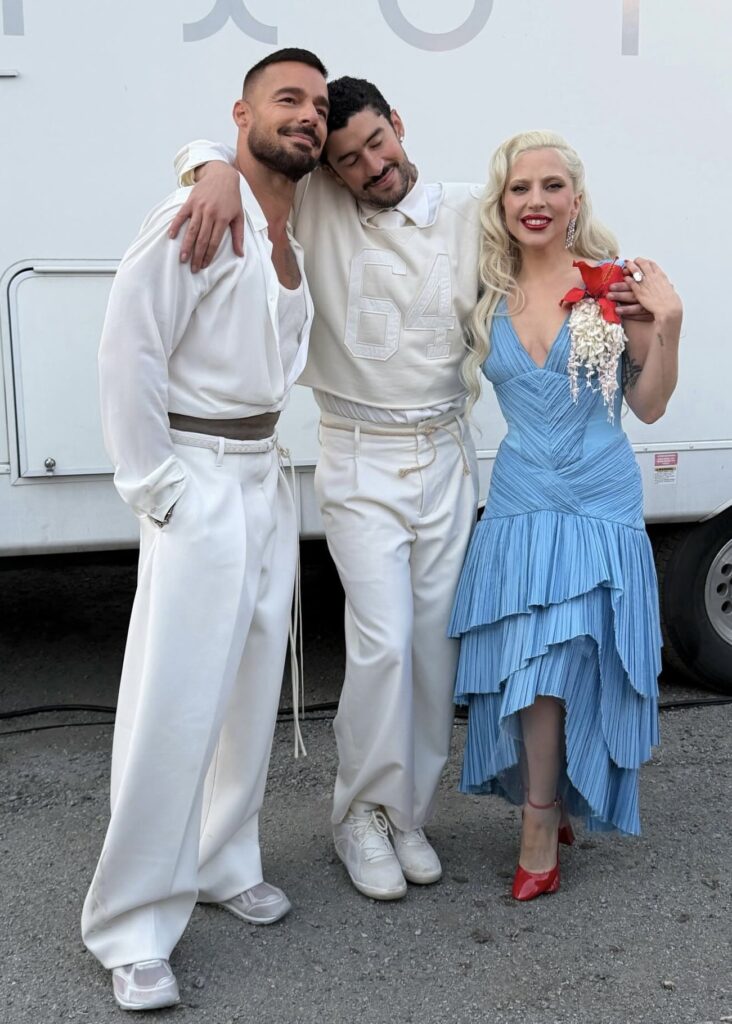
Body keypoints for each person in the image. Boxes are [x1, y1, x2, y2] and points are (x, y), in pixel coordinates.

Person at [169, 87, 648, 902]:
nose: (370, 166)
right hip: (360, 454)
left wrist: (643, 309)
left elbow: (557, 247)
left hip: (446, 454)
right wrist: (205, 165)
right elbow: (237, 160)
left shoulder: (472, 212)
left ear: (399, 126)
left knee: (433, 649)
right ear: (331, 168)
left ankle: (407, 813)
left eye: (377, 143)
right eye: (348, 158)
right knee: (383, 643)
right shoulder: (318, 200)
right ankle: (358, 814)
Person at [82, 48, 328, 1010]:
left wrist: (214, 163)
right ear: (240, 113)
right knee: (174, 705)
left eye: (317, 105)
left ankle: (225, 860)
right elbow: (129, 349)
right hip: (199, 477)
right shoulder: (197, 211)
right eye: (286, 99)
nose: (306, 116)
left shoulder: (287, 226)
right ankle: (133, 925)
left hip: (264, 477)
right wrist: (156, 488)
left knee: (249, 689)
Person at [449, 130, 682, 900]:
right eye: (520, 188)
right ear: (502, 203)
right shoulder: (484, 292)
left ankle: (541, 822)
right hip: (522, 498)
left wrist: (670, 325)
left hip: (597, 495)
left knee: (570, 658)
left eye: (551, 186)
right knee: (531, 663)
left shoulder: (612, 284)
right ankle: (552, 797)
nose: (536, 201)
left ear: (575, 200)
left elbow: (648, 406)